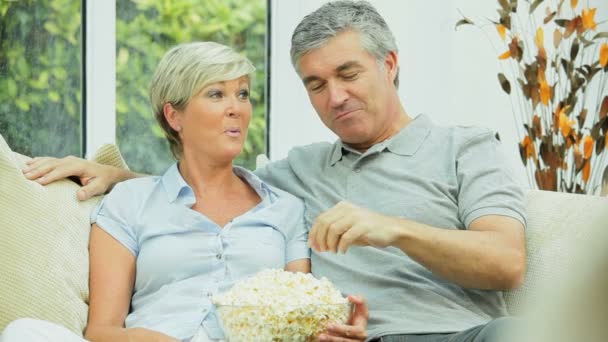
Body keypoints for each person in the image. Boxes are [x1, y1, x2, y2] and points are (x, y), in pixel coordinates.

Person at [16, 1, 526, 341]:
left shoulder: (466, 148)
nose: (336, 96)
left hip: (456, 334)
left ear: (389, 63)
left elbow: (506, 261)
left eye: (348, 73)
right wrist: (110, 176)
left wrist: (394, 229)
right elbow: (209, 184)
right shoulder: (299, 174)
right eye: (316, 84)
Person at [1, 41, 367, 342]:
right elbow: (101, 331)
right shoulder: (129, 201)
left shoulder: (285, 208)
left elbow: (298, 316)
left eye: (242, 94)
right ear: (174, 117)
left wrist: (331, 330)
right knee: (24, 333)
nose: (236, 108)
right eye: (216, 94)